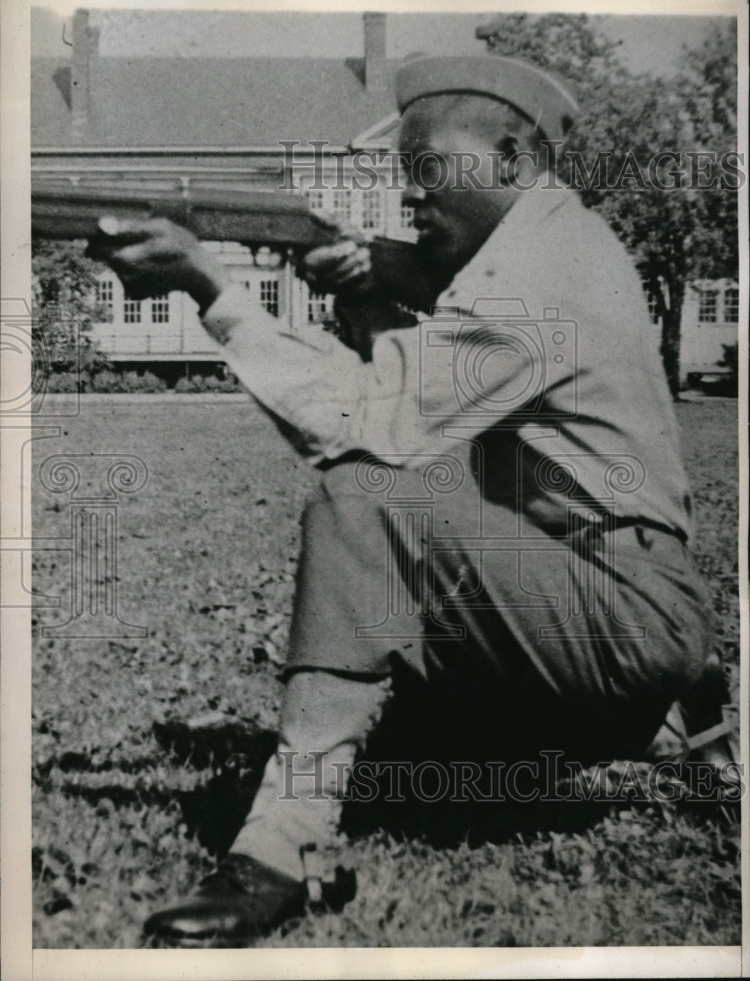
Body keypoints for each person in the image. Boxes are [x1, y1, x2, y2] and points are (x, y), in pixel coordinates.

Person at [90, 55, 730, 946]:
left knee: (363, 491)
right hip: (583, 593)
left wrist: (214, 288)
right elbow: (439, 408)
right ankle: (669, 718)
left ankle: (282, 846)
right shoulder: (557, 242)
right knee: (404, 771)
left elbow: (366, 427)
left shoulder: (533, 281)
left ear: (510, 157)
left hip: (610, 615)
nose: (412, 200)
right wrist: (363, 282)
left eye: (428, 174)